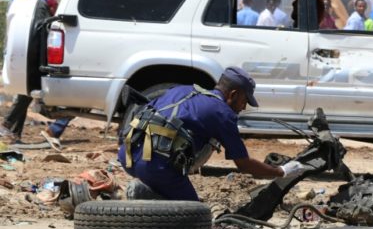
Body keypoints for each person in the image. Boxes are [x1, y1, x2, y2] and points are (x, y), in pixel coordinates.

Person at [118, 67, 311, 201]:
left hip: (127, 155)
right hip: (155, 166)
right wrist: (282, 171)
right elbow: (244, 164)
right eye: (245, 101)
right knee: (194, 215)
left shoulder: (183, 89)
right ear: (233, 94)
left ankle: (149, 191)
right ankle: (145, 194)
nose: (243, 107)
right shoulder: (222, 113)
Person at [0, 0, 71, 146]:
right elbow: (14, 23)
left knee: (28, 90)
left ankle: (14, 132)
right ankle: (8, 125)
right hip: (25, 50)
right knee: (27, 89)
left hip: (38, 50)